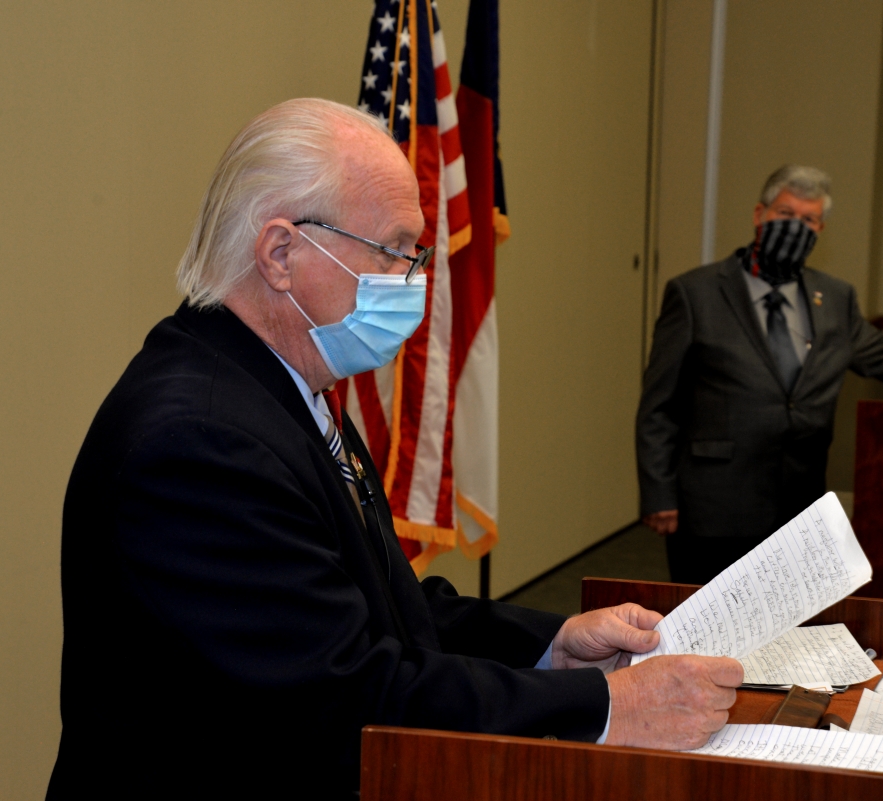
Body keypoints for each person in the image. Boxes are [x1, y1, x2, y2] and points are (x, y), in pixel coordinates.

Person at [46, 98, 742, 799]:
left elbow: (383, 604)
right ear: (281, 254)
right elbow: (348, 693)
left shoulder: (286, 388)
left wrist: (555, 644)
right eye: (395, 252)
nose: (415, 279)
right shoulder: (201, 442)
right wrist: (609, 706)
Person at [636, 165, 883, 586]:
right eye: (785, 214)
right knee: (706, 628)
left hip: (798, 504)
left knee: (785, 627)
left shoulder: (835, 299)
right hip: (714, 505)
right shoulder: (695, 293)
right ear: (759, 214)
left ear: (821, 229)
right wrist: (658, 493)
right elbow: (658, 403)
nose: (796, 227)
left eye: (808, 220)